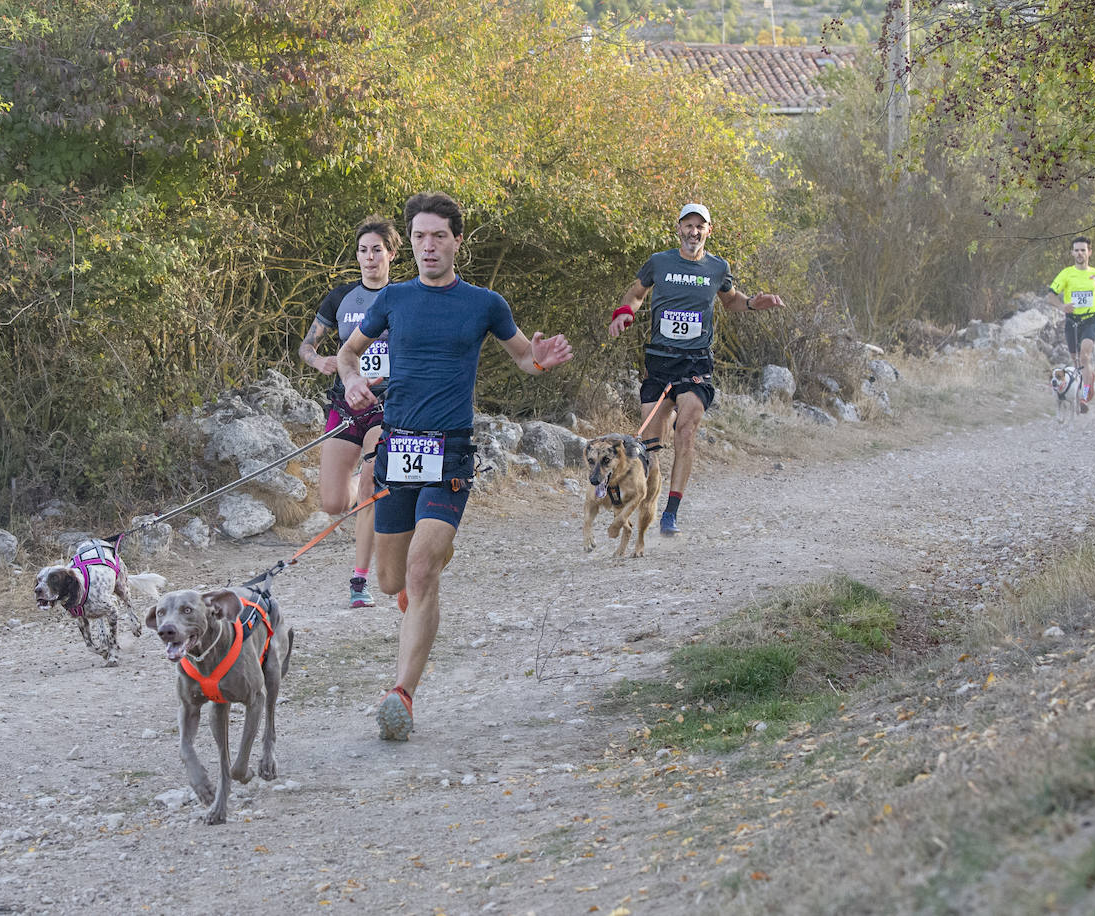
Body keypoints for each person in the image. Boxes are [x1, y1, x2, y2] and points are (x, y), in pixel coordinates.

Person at [337, 192, 573, 741]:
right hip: (397, 448)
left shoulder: (484, 303)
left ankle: (401, 695)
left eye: (437, 236)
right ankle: (427, 569)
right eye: (418, 236)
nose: (427, 246)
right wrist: (351, 379)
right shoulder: (393, 298)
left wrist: (540, 358)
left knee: (420, 571)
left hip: (451, 452)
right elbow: (349, 353)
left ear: (456, 241)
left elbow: (523, 359)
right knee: (394, 578)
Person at [609, 202, 785, 535]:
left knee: (686, 429)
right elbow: (636, 294)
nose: (693, 232)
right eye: (688, 225)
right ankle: (649, 503)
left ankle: (671, 514)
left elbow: (731, 300)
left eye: (699, 226)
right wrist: (624, 314)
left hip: (696, 362)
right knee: (651, 446)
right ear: (678, 229)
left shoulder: (718, 267)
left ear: (708, 230)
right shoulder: (659, 262)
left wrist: (751, 304)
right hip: (660, 360)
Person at [298, 216, 400, 608]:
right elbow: (307, 345)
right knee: (333, 504)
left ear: (391, 253)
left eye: (377, 249)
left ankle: (359, 580)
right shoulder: (340, 298)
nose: (369, 257)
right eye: (363, 250)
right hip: (344, 403)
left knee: (373, 482)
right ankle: (360, 484)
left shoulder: (405, 296)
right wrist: (318, 361)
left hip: (387, 403)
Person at [1046, 236, 1095, 412]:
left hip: (1090, 320)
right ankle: (1088, 379)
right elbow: (1050, 295)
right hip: (1071, 322)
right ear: (1072, 253)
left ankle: (1084, 396)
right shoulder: (1066, 273)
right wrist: (1062, 306)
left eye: (1083, 250)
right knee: (1076, 360)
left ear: (1089, 252)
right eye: (1076, 250)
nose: (1079, 253)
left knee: (1084, 356)